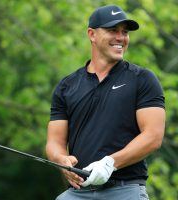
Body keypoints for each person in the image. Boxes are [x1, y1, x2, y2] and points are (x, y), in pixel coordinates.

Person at [46, 4, 165, 200]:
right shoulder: (67, 86)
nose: (121, 38)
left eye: (124, 32)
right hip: (78, 192)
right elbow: (54, 142)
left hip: (125, 191)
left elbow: (153, 136)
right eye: (112, 30)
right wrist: (61, 160)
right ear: (92, 34)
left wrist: (111, 162)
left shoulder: (142, 79)